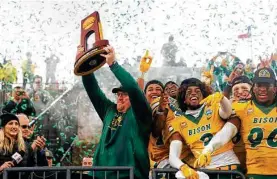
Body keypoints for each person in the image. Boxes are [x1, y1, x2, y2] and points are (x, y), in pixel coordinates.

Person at [82, 45, 152, 179]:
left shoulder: (140, 114)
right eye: (118, 94)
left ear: (132, 97)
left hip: (129, 175)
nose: (120, 97)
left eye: (124, 94)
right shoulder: (109, 110)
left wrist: (113, 64)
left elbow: (133, 88)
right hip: (100, 174)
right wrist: (84, 63)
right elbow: (93, 90)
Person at [197, 67, 277, 179]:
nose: (262, 89)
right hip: (256, 172)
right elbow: (227, 129)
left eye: (267, 85)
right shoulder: (241, 108)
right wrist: (209, 148)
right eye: (259, 85)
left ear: (275, 88)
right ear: (254, 88)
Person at [167, 78, 239, 179]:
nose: (193, 94)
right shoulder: (177, 122)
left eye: (197, 91)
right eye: (189, 92)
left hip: (228, 168)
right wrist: (182, 167)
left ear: (203, 95)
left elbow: (227, 113)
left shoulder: (214, 107)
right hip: (204, 172)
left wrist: (222, 98)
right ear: (184, 98)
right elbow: (173, 155)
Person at [0, 113, 35, 179]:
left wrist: (39, 151)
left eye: (16, 124)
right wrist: (1, 168)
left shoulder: (25, 146)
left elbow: (33, 168)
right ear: (3, 127)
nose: (14, 126)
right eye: (10, 123)